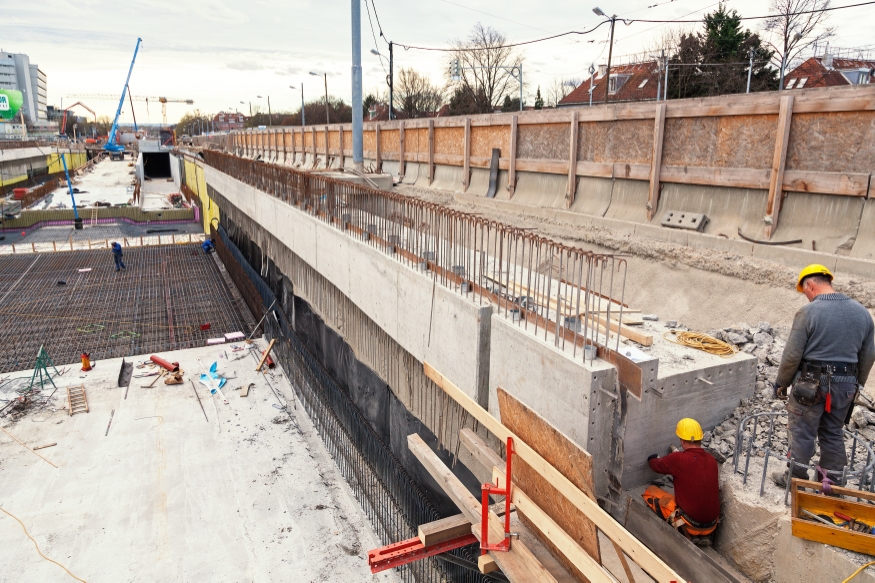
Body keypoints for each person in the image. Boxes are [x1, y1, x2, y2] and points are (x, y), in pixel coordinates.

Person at [773, 264, 875, 486]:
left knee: (802, 431)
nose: (807, 297)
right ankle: (832, 481)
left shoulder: (808, 312)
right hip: (846, 385)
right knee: (832, 431)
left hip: (811, 384)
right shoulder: (862, 313)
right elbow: (869, 355)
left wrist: (781, 382)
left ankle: (796, 479)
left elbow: (792, 356)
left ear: (810, 284)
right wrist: (857, 384)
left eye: (805, 291)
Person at [643, 418, 720, 545]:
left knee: (651, 492)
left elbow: (656, 465)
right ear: (700, 439)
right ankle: (704, 535)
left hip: (689, 523)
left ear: (682, 441)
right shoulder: (711, 460)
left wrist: (653, 458)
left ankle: (687, 532)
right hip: (712, 524)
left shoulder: (678, 459)